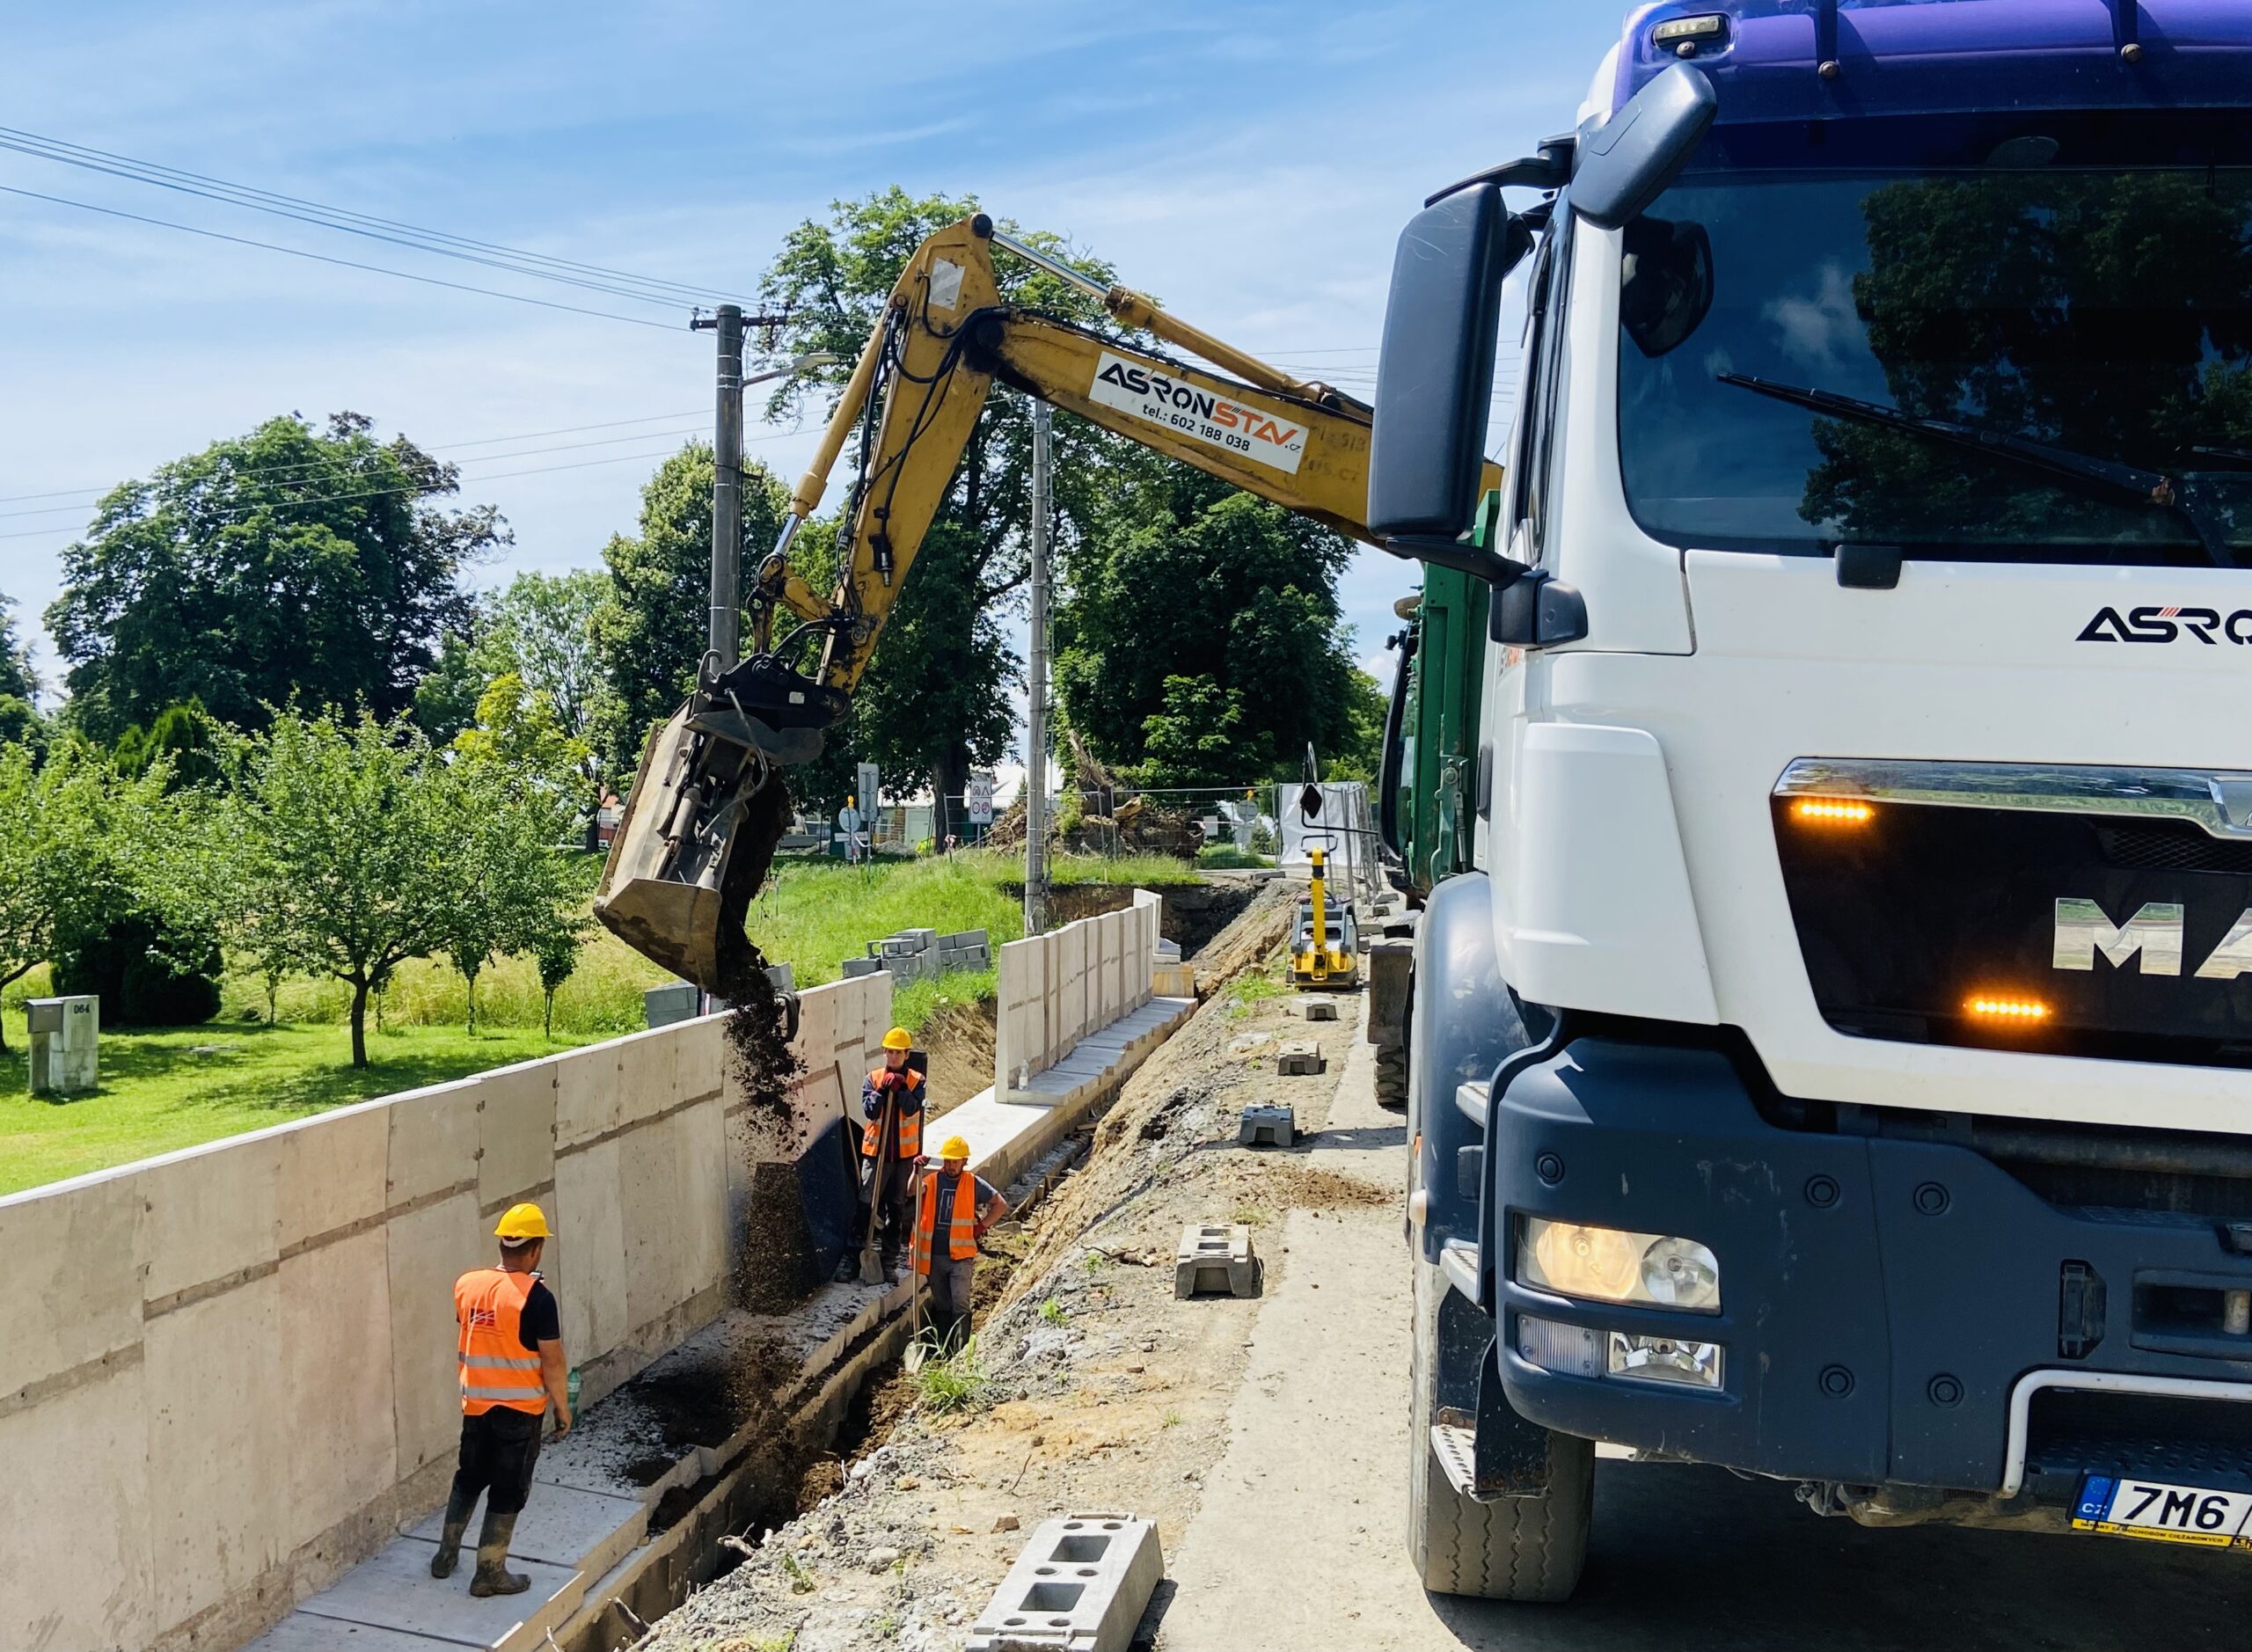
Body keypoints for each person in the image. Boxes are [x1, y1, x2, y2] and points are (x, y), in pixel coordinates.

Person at [432, 1202, 572, 1597]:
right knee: (508, 1490)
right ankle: (489, 1572)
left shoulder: (467, 1285)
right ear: (536, 1249)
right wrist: (562, 1408)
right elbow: (553, 1360)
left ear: (503, 1245)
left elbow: (480, 1333)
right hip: (519, 1411)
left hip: (475, 1405)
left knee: (469, 1477)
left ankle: (446, 1555)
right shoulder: (538, 1299)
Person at [843, 1026, 926, 1280]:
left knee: (896, 1208)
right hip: (876, 1155)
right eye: (889, 1052)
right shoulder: (873, 1078)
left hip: (901, 1158)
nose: (893, 1057)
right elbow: (870, 1111)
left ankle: (888, 1263)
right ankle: (852, 1261)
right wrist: (882, 1091)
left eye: (898, 1053)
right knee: (865, 1205)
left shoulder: (916, 1081)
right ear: (884, 1052)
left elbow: (912, 1109)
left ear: (907, 1054)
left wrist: (900, 1090)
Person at [914, 1135, 1009, 1356]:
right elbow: (912, 1192)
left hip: (961, 1256)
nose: (950, 1165)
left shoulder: (973, 1183)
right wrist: (915, 1171)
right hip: (935, 1255)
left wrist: (981, 1227)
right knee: (942, 1303)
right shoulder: (933, 1180)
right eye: (947, 1161)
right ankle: (945, 1349)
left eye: (954, 1162)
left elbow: (1000, 1205)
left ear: (964, 1161)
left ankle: (961, 1350)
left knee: (960, 1302)